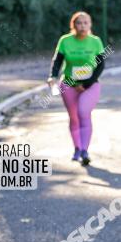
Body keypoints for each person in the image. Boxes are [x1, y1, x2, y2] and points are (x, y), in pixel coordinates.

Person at [48, 11, 107, 167]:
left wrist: (86, 84)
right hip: (68, 84)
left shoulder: (95, 42)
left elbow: (101, 65)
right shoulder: (65, 41)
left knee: (83, 112)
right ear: (73, 25)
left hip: (90, 85)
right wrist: (52, 76)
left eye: (85, 23)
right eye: (79, 23)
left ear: (90, 24)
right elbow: (57, 61)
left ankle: (85, 151)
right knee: (73, 117)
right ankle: (77, 148)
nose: (82, 26)